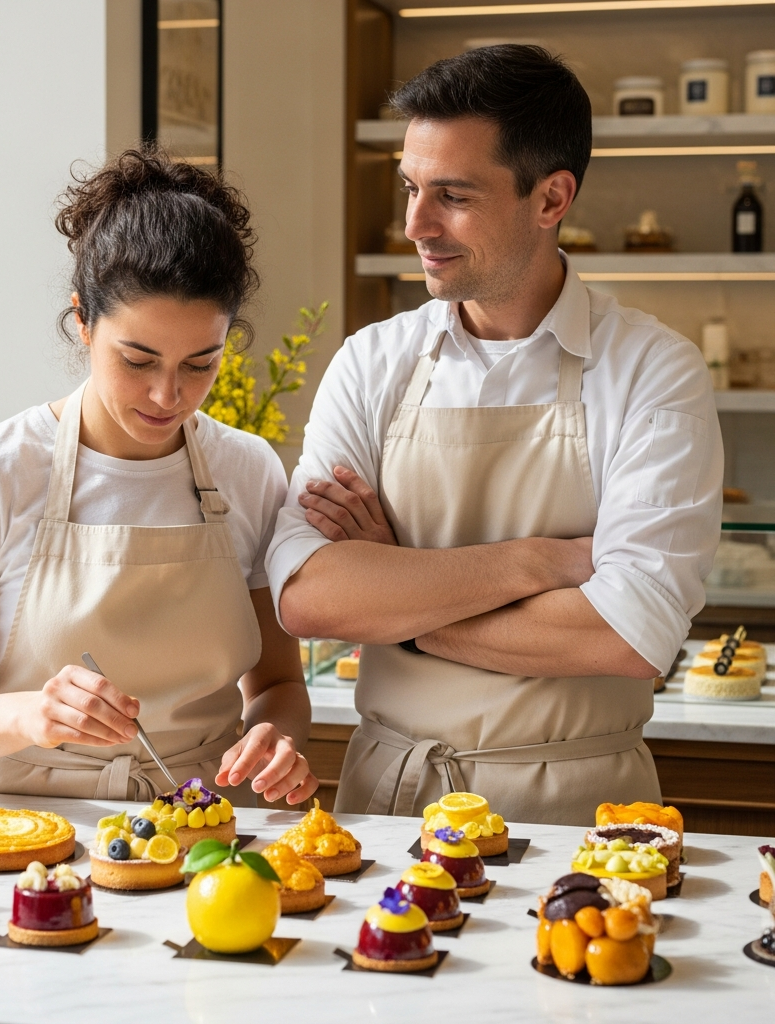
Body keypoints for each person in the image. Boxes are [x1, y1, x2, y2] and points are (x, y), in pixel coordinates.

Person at [267, 46, 722, 824]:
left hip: (582, 812)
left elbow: (627, 637)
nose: (415, 224)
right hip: (392, 806)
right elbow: (311, 598)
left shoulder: (656, 371)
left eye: (452, 195)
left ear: (551, 199)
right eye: (411, 188)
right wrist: (537, 563)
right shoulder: (372, 363)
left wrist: (402, 602)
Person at [0, 150, 318, 807]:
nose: (168, 394)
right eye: (138, 358)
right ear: (84, 321)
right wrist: (28, 715)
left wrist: (274, 738)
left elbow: (279, 687)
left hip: (212, 827)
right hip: (38, 835)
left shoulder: (247, 469)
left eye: (201, 363)